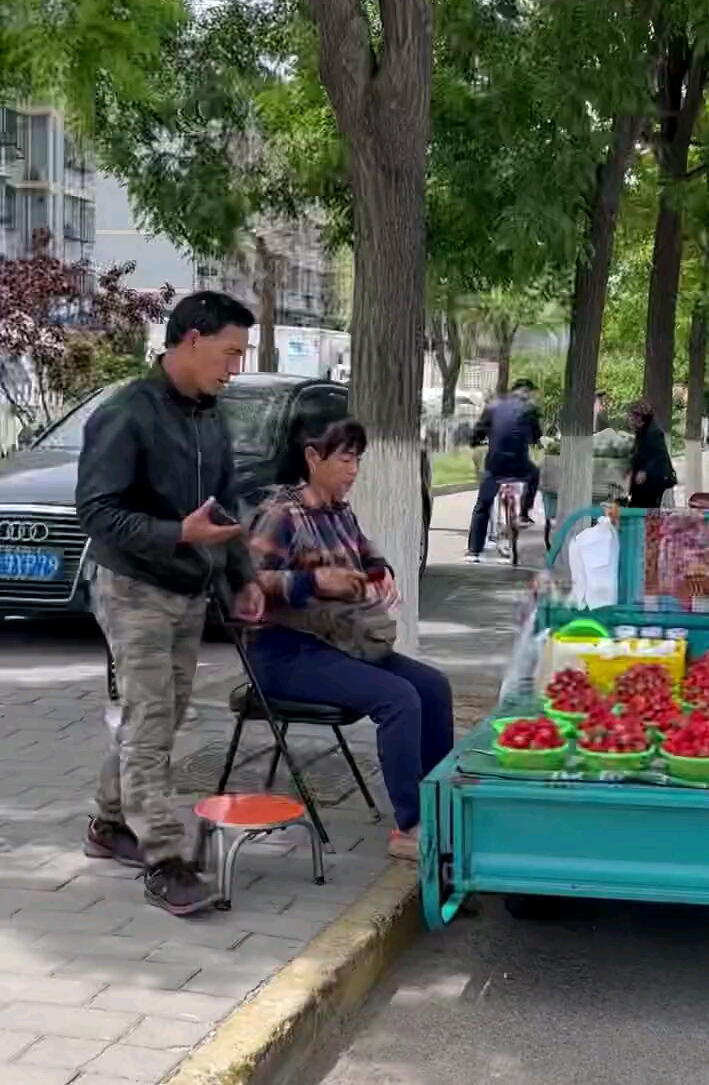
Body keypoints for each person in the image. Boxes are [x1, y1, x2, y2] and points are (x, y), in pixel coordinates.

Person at [77, 291, 264, 917]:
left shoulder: (210, 415)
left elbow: (226, 504)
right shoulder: (127, 413)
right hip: (131, 584)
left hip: (188, 585)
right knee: (152, 716)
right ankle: (164, 858)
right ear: (191, 339)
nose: (235, 366)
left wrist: (244, 577)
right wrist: (176, 534)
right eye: (230, 352)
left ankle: (109, 821)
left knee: (160, 712)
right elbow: (97, 513)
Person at [247, 417, 454, 862]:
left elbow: (369, 554)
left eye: (357, 459)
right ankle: (410, 826)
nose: (353, 469)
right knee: (399, 699)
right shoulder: (281, 515)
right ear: (311, 457)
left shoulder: (340, 513)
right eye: (345, 458)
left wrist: (382, 576)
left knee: (433, 687)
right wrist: (314, 581)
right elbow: (245, 582)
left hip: (342, 642)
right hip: (285, 653)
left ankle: (443, 807)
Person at [465, 378, 542, 562]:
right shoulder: (529, 409)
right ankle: (524, 513)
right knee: (535, 473)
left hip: (495, 467)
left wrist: (476, 441)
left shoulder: (492, 407)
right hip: (520, 466)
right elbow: (536, 436)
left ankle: (474, 551)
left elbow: (477, 434)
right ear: (527, 392)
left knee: (482, 505)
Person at [626, 398, 676, 508]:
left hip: (651, 484)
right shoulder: (642, 432)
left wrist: (645, 471)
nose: (630, 420)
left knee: (643, 512)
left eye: (633, 417)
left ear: (640, 417)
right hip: (643, 484)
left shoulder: (653, 432)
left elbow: (659, 456)